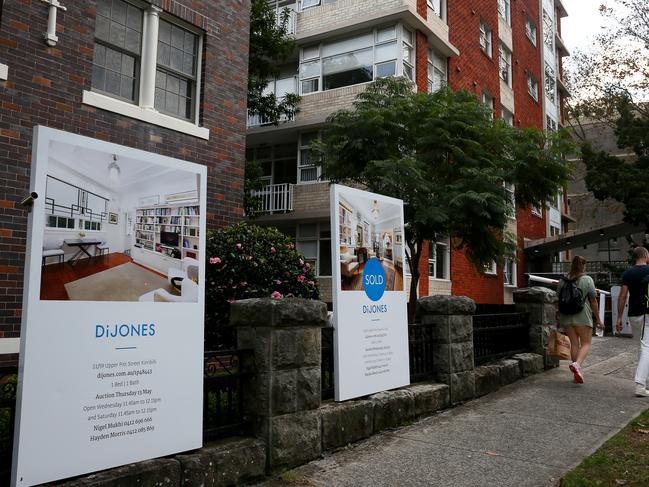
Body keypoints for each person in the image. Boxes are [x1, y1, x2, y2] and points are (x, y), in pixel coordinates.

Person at [557, 255, 604, 384]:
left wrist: (559, 316)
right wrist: (599, 319)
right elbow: (593, 300)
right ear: (583, 265)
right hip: (582, 316)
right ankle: (577, 365)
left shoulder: (562, 281)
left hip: (566, 317)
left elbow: (558, 300)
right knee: (586, 343)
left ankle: (576, 372)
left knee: (574, 344)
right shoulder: (587, 279)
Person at [615, 246, 649, 397]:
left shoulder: (628, 273)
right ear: (646, 256)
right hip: (647, 314)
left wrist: (619, 317)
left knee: (643, 347)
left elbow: (622, 296)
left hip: (633, 314)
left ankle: (643, 380)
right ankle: (640, 385)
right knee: (646, 347)